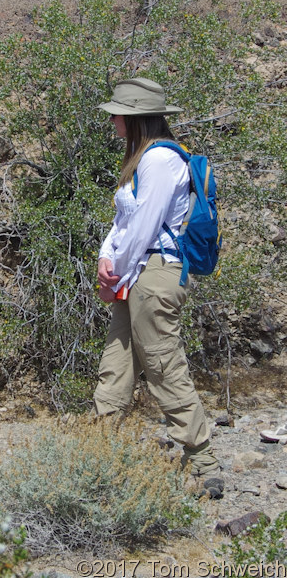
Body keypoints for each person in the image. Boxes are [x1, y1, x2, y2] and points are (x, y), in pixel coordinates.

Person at [94, 78, 222, 486]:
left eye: (118, 113)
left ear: (135, 118)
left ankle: (202, 462)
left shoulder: (159, 161)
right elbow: (123, 222)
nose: (113, 119)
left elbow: (145, 227)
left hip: (153, 274)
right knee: (116, 364)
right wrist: (104, 257)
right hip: (135, 272)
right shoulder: (141, 158)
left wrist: (114, 272)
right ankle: (98, 455)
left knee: (163, 365)